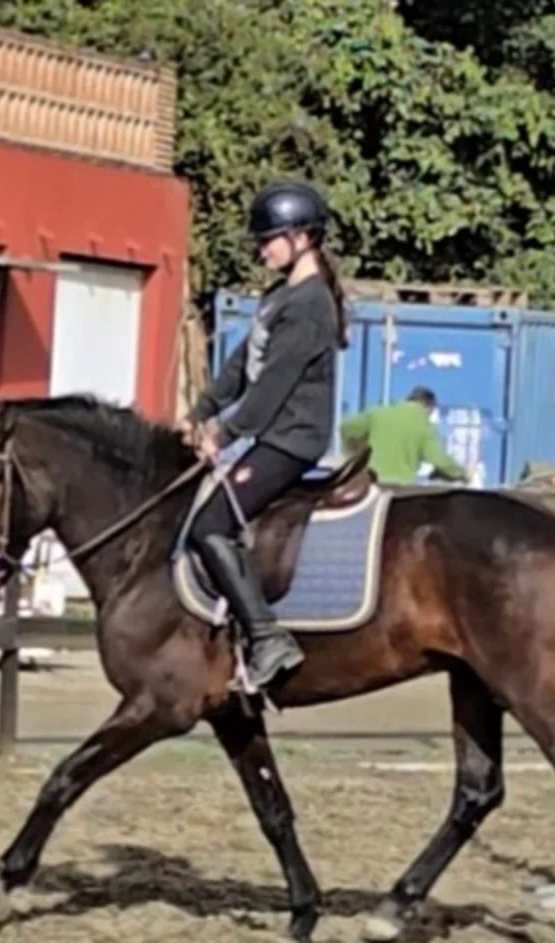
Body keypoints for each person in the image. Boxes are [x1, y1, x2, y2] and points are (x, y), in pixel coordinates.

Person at [182, 180, 347, 689]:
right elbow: (241, 366)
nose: (262, 248)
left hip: (291, 439)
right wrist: (202, 410)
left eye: (270, 238)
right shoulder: (281, 296)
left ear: (302, 237)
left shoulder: (311, 303)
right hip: (270, 434)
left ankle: (267, 637)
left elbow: (275, 383)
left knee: (208, 527)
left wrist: (226, 433)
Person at [339, 386, 468, 486]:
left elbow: (345, 428)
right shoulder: (425, 426)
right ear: (429, 408)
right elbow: (439, 460)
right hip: (399, 488)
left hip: (370, 483)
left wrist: (352, 453)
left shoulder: (377, 413)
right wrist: (463, 474)